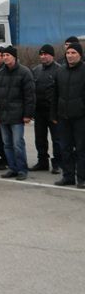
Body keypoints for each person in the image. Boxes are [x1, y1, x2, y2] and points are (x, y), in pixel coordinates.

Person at [0, 45, 35, 180]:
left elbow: (30, 96)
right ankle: (12, 168)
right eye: (3, 55)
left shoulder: (24, 72)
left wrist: (28, 114)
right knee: (7, 144)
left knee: (17, 144)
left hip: (17, 115)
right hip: (3, 115)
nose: (5, 58)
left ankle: (22, 169)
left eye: (7, 55)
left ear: (14, 57)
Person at [52, 42, 85, 188]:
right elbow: (54, 94)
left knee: (81, 149)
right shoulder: (60, 71)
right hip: (63, 117)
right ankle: (68, 176)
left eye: (74, 53)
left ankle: (82, 178)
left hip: (80, 117)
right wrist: (54, 113)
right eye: (68, 53)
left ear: (80, 55)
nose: (70, 56)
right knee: (65, 148)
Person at [30, 44, 61, 173]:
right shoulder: (36, 70)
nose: (43, 57)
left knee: (57, 139)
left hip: (54, 111)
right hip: (39, 111)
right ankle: (42, 161)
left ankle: (58, 163)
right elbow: (31, 91)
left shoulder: (60, 70)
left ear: (52, 55)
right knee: (40, 138)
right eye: (41, 54)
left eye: (46, 54)